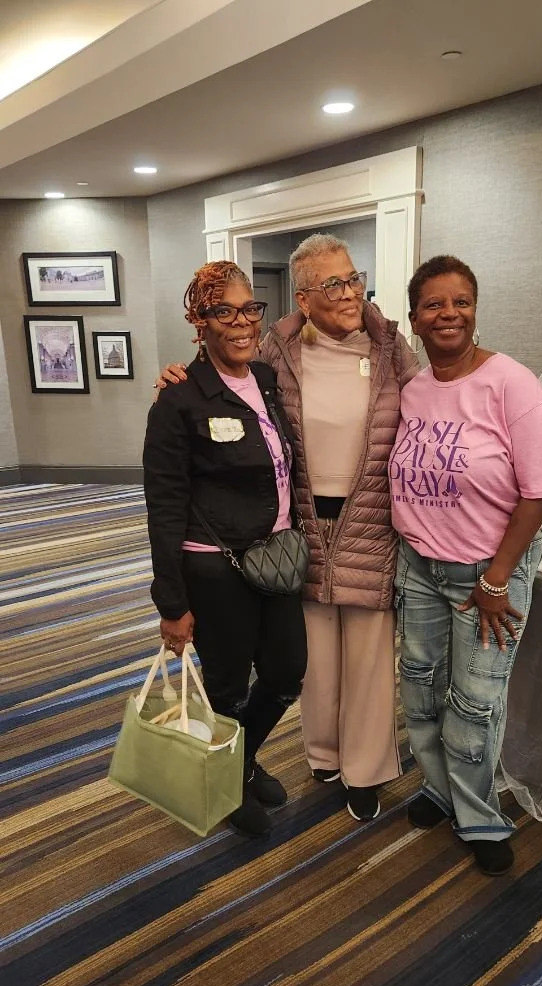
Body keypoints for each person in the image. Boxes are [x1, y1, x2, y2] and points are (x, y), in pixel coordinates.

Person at [156, 234, 420, 822]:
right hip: (286, 536)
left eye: (355, 279)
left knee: (346, 662)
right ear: (302, 299)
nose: (350, 291)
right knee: (302, 663)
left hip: (367, 522)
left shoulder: (385, 350)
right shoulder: (278, 357)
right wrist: (179, 372)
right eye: (334, 283)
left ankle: (362, 769)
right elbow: (170, 490)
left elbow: (429, 403)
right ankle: (302, 760)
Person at [390, 255, 542, 875]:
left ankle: (481, 817)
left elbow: (540, 489)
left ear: (475, 309)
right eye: (434, 304)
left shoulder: (513, 384)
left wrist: (496, 578)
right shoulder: (414, 389)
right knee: (419, 690)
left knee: (472, 705)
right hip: (419, 567)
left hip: (488, 576)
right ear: (415, 318)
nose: (448, 314)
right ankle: (442, 790)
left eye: (460, 301)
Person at [143, 260, 307, 838]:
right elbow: (163, 506)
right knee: (230, 687)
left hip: (274, 560)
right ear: (201, 321)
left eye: (249, 308)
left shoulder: (263, 379)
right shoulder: (180, 401)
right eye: (224, 311)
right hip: (215, 568)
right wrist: (171, 602)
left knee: (288, 673)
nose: (241, 322)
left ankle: (239, 759)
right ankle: (231, 782)